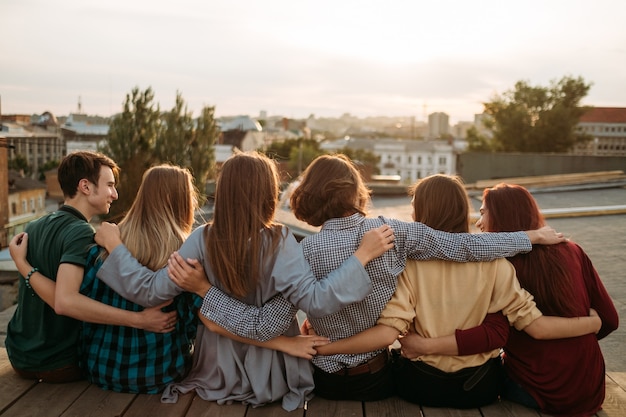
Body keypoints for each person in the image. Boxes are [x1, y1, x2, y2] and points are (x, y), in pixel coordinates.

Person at [170, 154, 567, 402]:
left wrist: (208, 294)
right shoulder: (394, 234)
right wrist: (529, 237)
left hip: (323, 381)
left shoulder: (299, 252)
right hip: (375, 380)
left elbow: (266, 325)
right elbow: (462, 246)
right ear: (356, 192)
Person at [91, 150, 396, 411]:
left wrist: (116, 246)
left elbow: (150, 291)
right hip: (271, 371)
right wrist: (362, 256)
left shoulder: (200, 238)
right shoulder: (281, 241)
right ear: (267, 192)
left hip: (215, 369)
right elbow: (318, 301)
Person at [314, 174, 602, 408]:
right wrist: (591, 322)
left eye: (415, 205)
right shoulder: (496, 263)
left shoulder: (408, 265)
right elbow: (523, 326)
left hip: (421, 386)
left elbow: (390, 328)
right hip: (480, 388)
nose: (412, 212)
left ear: (424, 210)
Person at [11, 164, 203, 393]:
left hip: (102, 368)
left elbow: (85, 300)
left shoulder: (102, 243)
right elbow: (193, 322)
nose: (115, 193)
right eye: (110, 185)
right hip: (160, 372)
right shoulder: (184, 253)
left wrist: (23, 266)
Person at [473, 183, 618, 416]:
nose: (478, 223)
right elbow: (610, 319)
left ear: (502, 215)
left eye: (482, 213)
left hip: (537, 389)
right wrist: (578, 338)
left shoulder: (502, 265)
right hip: (590, 389)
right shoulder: (574, 251)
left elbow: (492, 333)